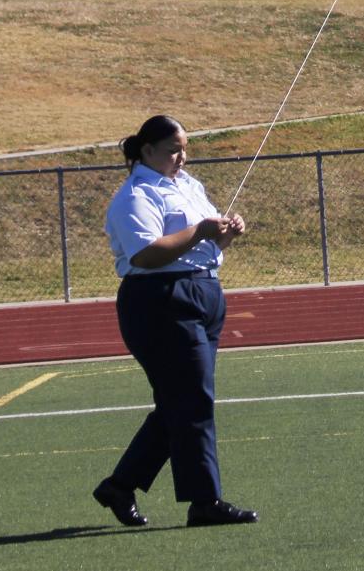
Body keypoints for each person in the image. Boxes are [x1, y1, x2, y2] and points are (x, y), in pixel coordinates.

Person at [92, 113, 258, 529]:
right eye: (172, 149)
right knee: (193, 401)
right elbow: (146, 254)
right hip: (160, 301)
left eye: (184, 147)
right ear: (147, 151)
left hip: (204, 293)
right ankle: (204, 501)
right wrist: (200, 231)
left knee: (179, 404)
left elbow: (205, 244)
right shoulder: (135, 195)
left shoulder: (188, 186)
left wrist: (225, 234)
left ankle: (120, 485)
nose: (181, 156)